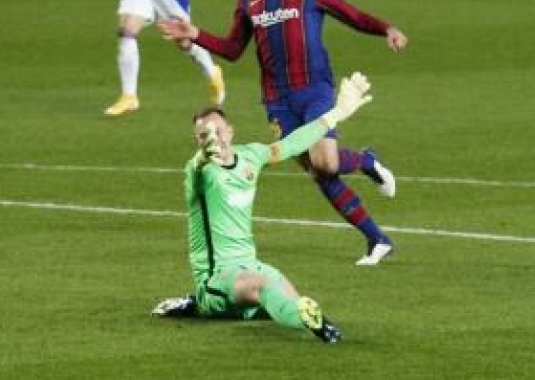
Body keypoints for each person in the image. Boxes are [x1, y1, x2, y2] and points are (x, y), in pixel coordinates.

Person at [158, 0, 409, 265]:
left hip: (315, 88)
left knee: (326, 161)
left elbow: (352, 15)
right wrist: (195, 33)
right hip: (277, 100)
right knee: (318, 172)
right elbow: (233, 49)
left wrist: (386, 29)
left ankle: (366, 160)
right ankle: (376, 239)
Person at [151, 71, 377, 342]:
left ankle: (312, 323)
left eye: (217, 131)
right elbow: (198, 167)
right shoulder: (199, 172)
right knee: (266, 288)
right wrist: (202, 157)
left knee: (287, 295)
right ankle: (320, 329)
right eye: (204, 136)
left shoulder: (252, 156)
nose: (213, 139)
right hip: (216, 280)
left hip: (251, 266)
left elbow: (292, 144)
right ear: (197, 142)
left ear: (231, 131)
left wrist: (336, 113)